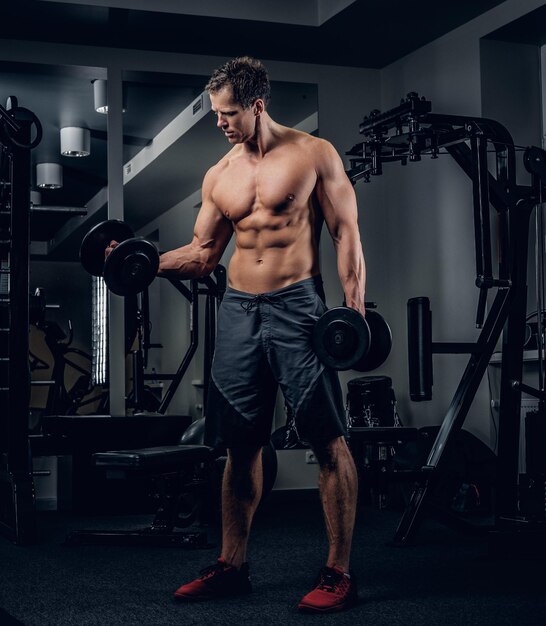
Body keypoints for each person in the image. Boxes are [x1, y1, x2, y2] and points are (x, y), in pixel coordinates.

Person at [109, 56, 365, 613]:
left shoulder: (312, 154)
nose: (220, 123)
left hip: (299, 306)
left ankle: (338, 571)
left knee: (327, 438)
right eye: (215, 114)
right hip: (238, 311)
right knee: (240, 443)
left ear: (257, 103)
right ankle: (232, 565)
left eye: (228, 113)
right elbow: (202, 256)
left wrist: (353, 310)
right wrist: (138, 259)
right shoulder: (218, 175)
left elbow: (346, 233)